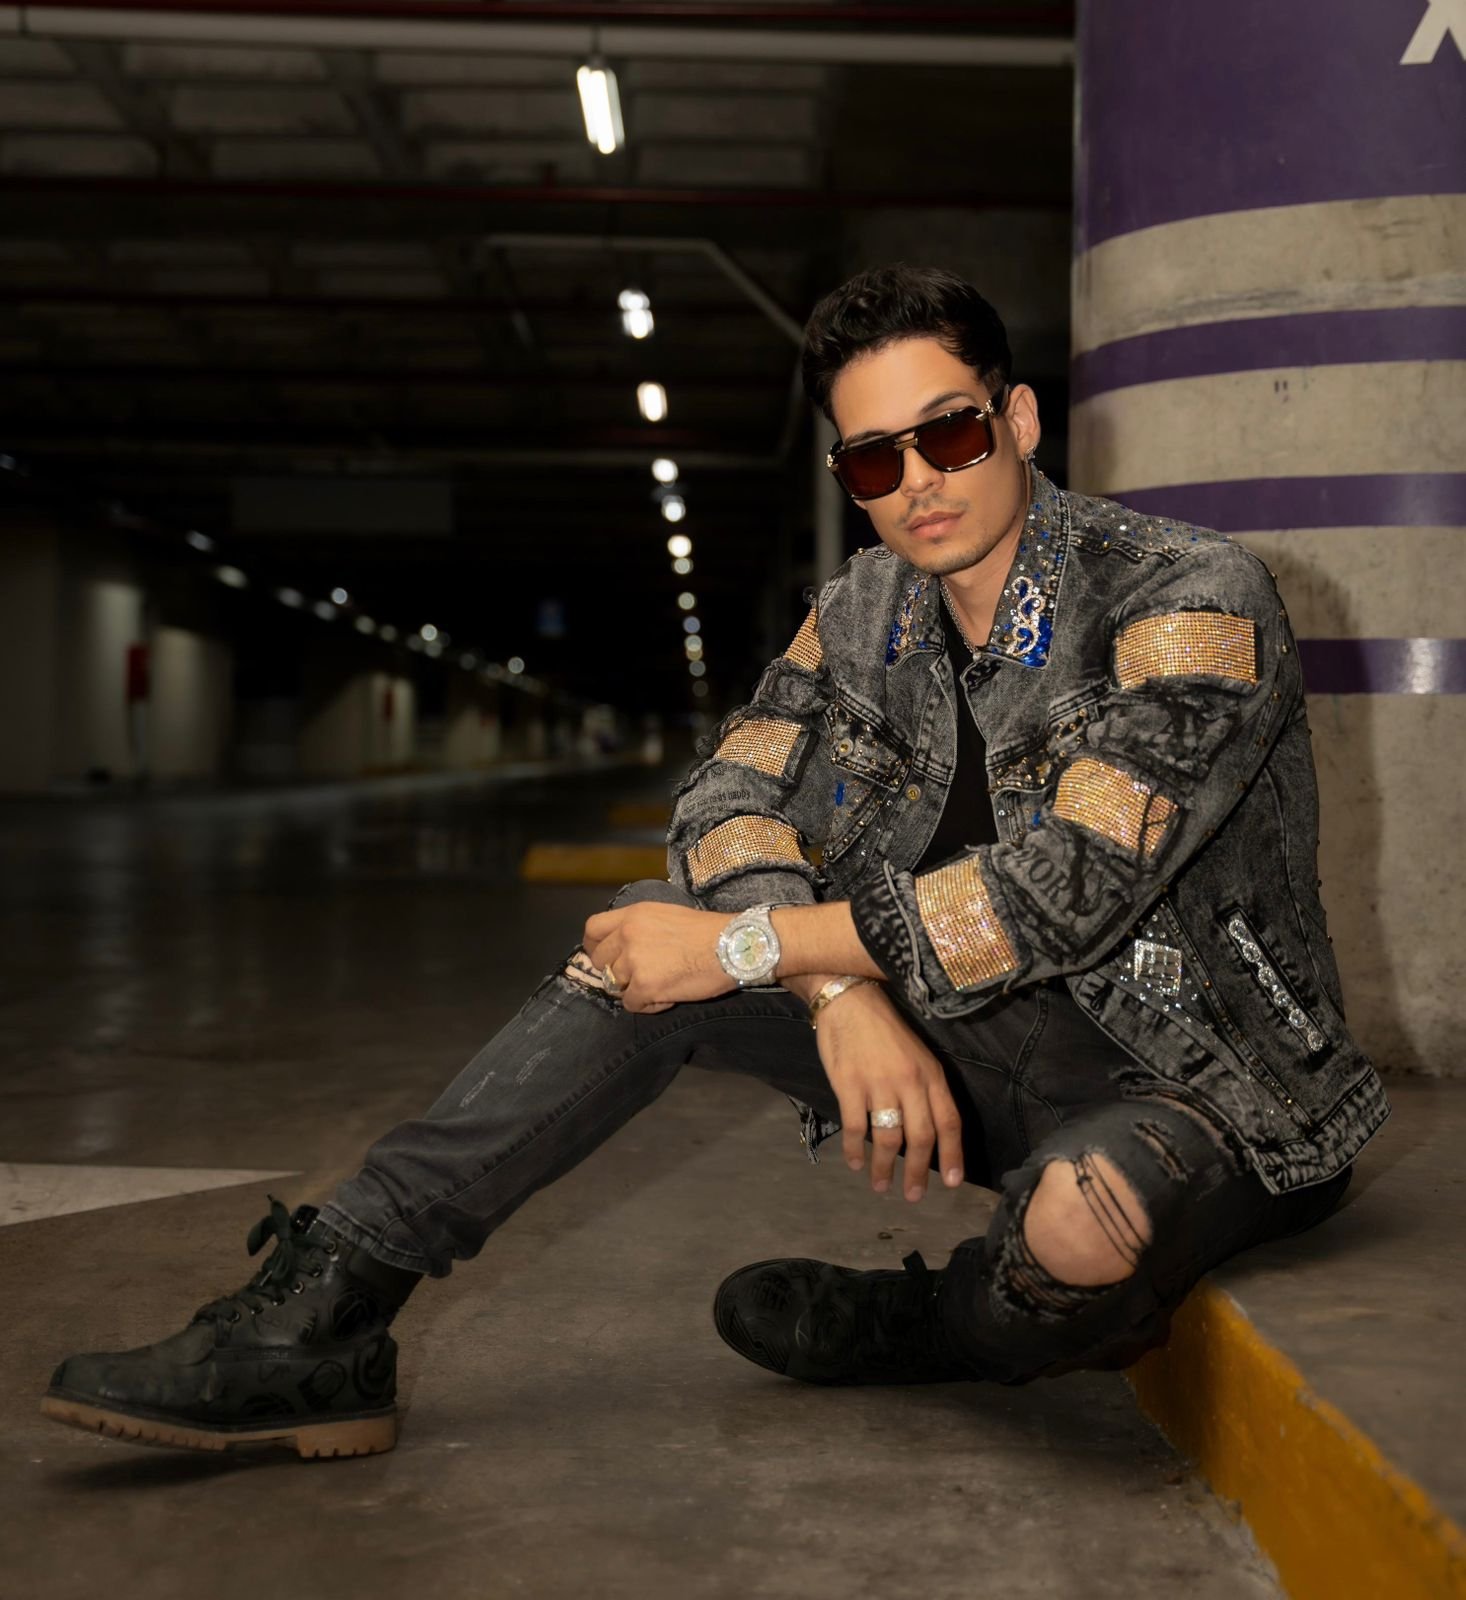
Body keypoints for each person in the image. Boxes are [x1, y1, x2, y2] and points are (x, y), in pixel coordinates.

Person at [42, 266, 1388, 1459]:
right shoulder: (859, 612)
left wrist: (760, 946)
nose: (918, 482)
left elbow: (1060, 892)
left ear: (1018, 420)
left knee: (1078, 1225)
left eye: (950, 433)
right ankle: (330, 1306)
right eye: (873, 461)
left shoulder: (1185, 595)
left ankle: (934, 1324)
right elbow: (728, 797)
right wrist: (837, 995)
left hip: (1205, 1085)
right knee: (637, 942)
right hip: (976, 1048)